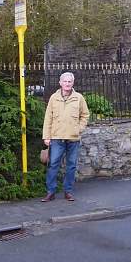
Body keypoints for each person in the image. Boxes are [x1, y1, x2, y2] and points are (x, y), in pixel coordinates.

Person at [41, 71, 90, 202]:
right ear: (60, 83)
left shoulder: (79, 98)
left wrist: (79, 129)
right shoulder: (53, 98)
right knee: (53, 165)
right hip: (57, 138)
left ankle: (68, 191)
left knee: (71, 165)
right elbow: (48, 118)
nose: (67, 84)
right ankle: (50, 192)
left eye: (70, 81)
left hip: (73, 138)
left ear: (72, 83)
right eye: (65, 81)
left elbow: (85, 115)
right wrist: (46, 136)